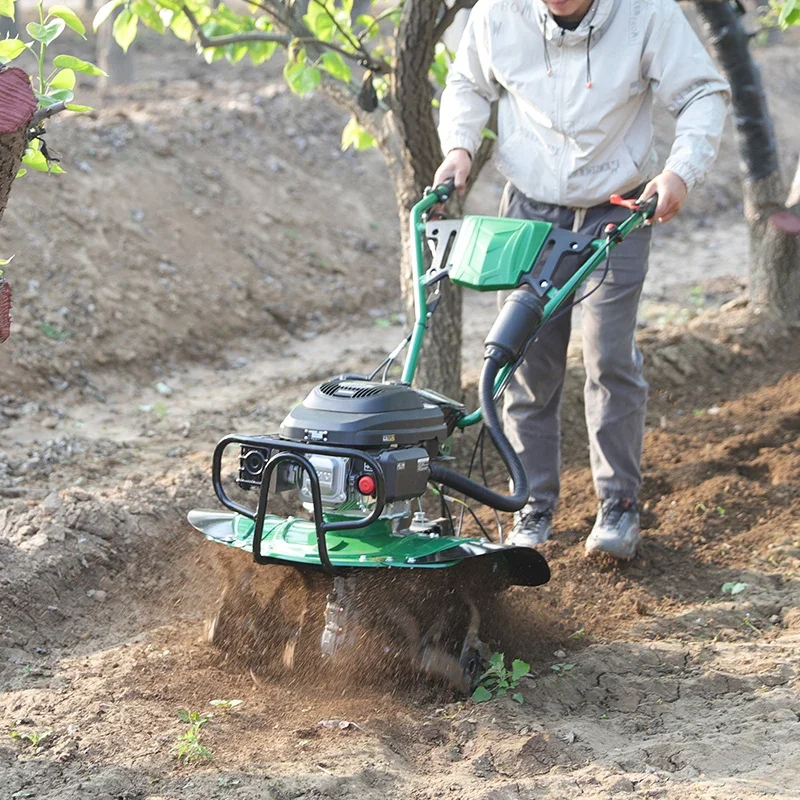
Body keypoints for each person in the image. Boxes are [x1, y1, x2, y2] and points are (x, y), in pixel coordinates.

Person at [433, 0, 730, 560]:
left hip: (617, 208)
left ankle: (618, 504)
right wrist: (459, 148)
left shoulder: (646, 15)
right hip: (529, 212)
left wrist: (679, 171)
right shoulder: (499, 14)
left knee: (609, 358)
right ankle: (532, 505)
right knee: (524, 363)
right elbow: (468, 84)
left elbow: (701, 94)